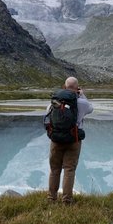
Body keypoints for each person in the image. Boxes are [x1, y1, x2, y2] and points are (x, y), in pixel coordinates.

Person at [47, 76, 93, 204]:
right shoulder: (82, 103)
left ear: (64, 87)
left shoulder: (54, 102)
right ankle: (67, 200)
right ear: (77, 88)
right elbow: (90, 108)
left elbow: (48, 113)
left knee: (54, 169)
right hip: (74, 139)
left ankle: (51, 198)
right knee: (69, 169)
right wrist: (82, 95)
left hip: (56, 139)